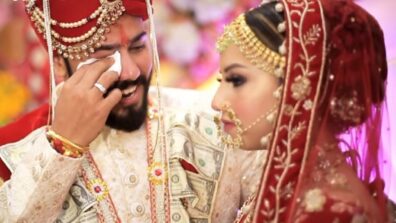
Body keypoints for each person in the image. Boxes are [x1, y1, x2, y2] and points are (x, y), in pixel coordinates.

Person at [0, 0, 257, 222]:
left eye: (138, 47)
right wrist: (64, 147)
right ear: (58, 62)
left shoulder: (214, 119)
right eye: (104, 55)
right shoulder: (13, 150)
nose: (131, 71)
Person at [212, 0, 393, 222]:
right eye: (222, 80)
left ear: (300, 82)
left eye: (237, 80)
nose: (217, 101)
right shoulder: (294, 186)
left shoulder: (329, 210)